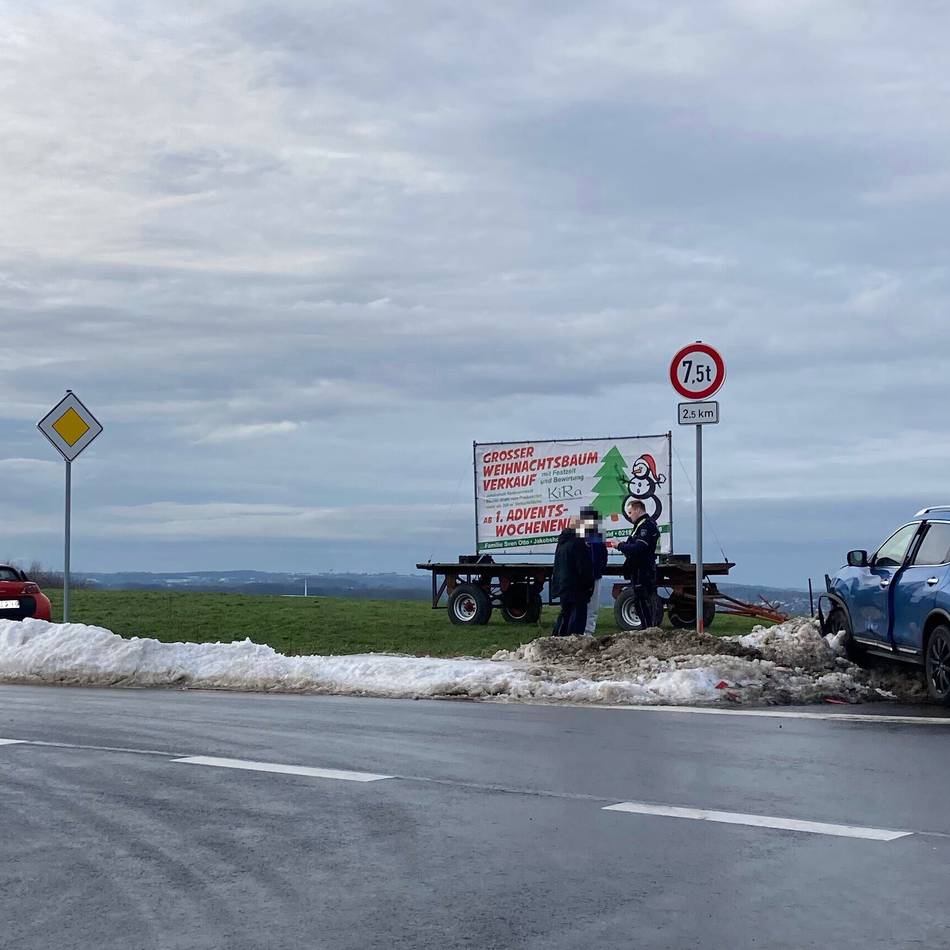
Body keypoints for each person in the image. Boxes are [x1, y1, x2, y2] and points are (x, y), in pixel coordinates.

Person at [616, 499, 660, 628]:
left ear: (637, 510)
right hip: (638, 568)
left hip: (643, 569)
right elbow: (633, 545)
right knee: (639, 600)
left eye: (630, 512)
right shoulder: (640, 525)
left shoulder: (646, 525)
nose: (629, 516)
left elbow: (639, 547)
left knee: (642, 600)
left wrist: (620, 546)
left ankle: (648, 629)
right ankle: (647, 628)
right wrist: (624, 545)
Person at [551, 516, 594, 636]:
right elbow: (584, 568)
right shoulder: (578, 543)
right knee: (577, 618)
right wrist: (589, 585)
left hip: (564, 584)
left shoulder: (562, 542)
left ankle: (557, 637)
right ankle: (573, 641)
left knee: (565, 613)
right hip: (577, 587)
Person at [580, 506, 608, 635]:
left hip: (595, 575)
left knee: (593, 605)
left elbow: (603, 555)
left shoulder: (598, 536)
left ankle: (588, 631)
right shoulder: (579, 536)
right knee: (581, 604)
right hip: (582, 576)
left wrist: (599, 569)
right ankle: (579, 630)